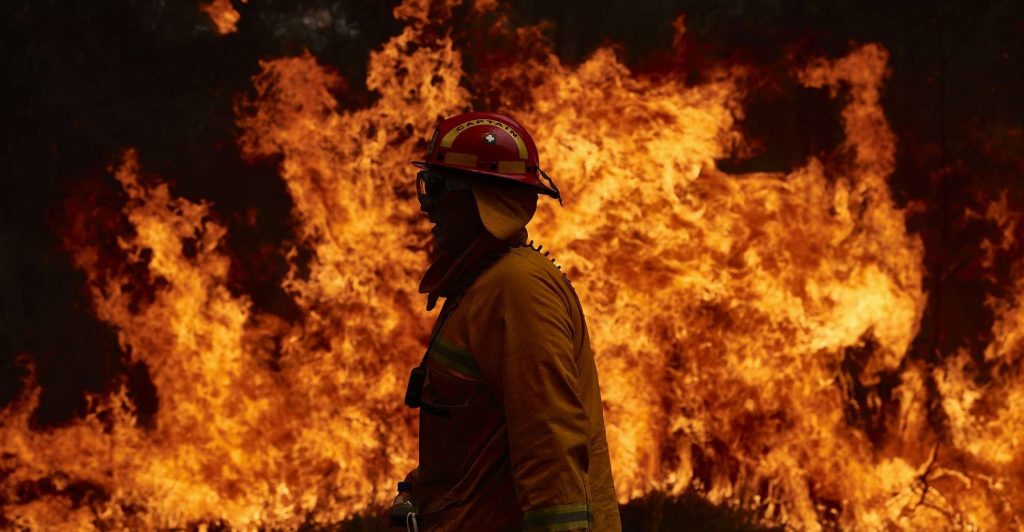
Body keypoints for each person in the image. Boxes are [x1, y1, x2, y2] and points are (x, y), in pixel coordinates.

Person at [396, 112, 620, 531]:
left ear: (481, 197)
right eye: (427, 186)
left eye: (439, 188)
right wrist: (420, 491)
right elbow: (477, 439)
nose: (427, 207)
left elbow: (548, 443)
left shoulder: (518, 291)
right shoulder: (481, 283)